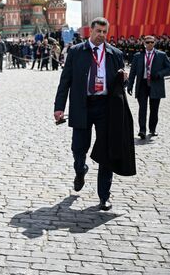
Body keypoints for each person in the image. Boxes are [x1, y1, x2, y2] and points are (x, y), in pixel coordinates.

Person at [54, 17, 126, 211]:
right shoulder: (77, 52)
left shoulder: (115, 54)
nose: (101, 35)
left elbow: (120, 84)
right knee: (79, 148)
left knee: (107, 152)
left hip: (105, 107)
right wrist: (59, 107)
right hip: (82, 106)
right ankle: (80, 169)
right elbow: (65, 81)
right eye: (98, 31)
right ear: (90, 31)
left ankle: (104, 196)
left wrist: (123, 79)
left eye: (104, 32)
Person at [127, 35, 170, 139]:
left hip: (155, 84)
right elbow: (133, 72)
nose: (150, 44)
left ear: (154, 43)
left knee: (154, 109)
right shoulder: (137, 56)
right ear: (144, 43)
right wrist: (130, 85)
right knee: (142, 108)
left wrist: (159, 74)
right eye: (147, 42)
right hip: (142, 84)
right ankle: (142, 130)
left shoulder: (161, 55)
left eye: (152, 42)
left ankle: (153, 129)